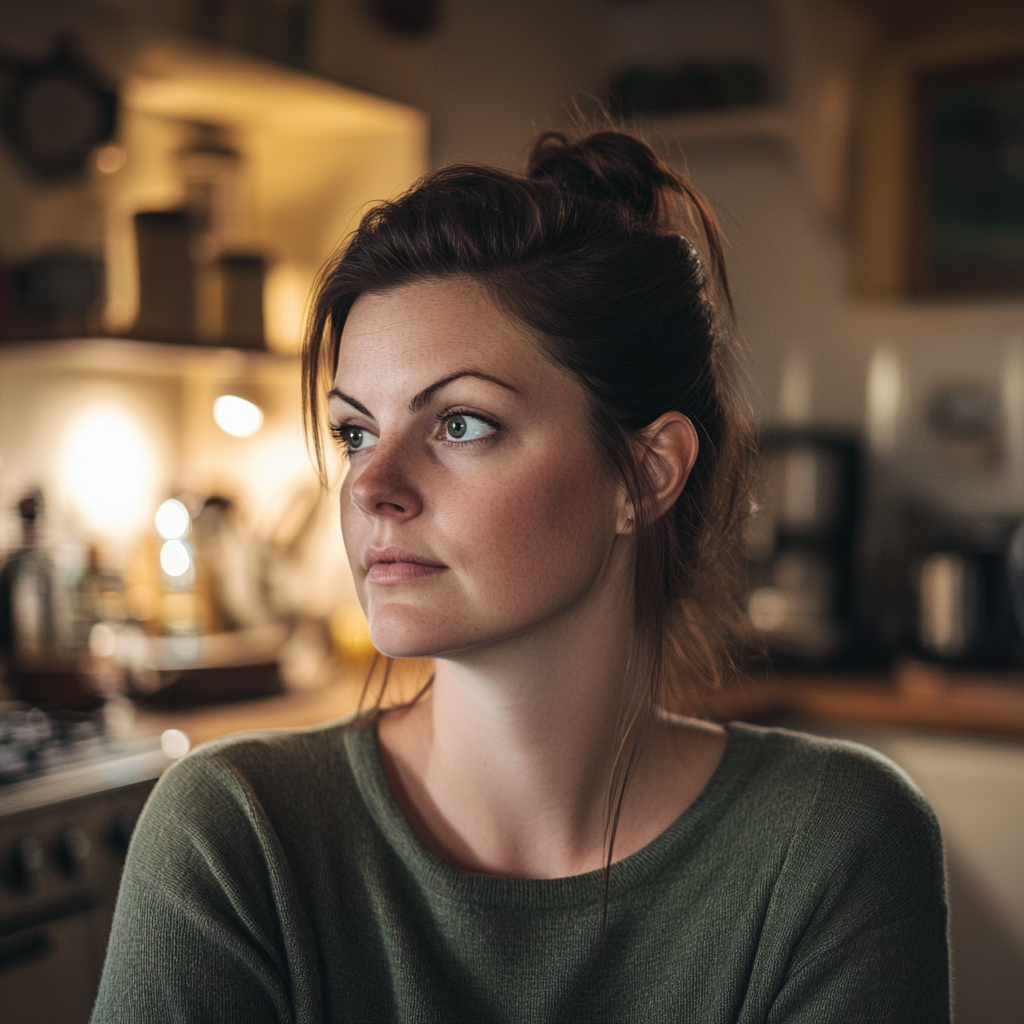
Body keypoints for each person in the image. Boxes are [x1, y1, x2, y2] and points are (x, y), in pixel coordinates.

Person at [91, 129, 949, 1024]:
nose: (373, 489)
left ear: (646, 473)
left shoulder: (834, 842)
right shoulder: (236, 837)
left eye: (461, 424)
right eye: (354, 432)